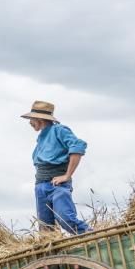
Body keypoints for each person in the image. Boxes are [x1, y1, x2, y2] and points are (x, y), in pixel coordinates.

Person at [22, 100, 91, 235]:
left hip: (56, 185)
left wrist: (67, 175)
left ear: (39, 118)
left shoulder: (58, 130)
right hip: (40, 186)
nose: (30, 122)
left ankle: (93, 236)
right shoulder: (41, 138)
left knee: (66, 219)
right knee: (46, 230)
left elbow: (77, 147)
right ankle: (51, 254)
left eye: (31, 119)